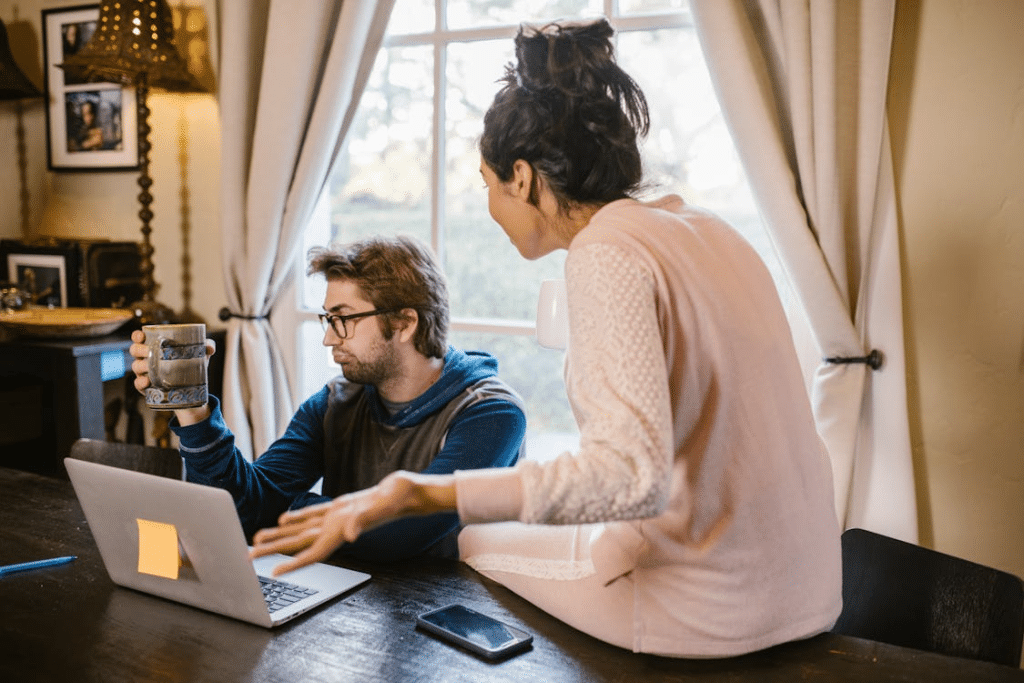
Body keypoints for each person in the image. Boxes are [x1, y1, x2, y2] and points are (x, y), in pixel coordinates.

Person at [250, 19, 842, 658]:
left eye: (487, 184)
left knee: (473, 538)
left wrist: (414, 490)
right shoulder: (707, 229)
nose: (489, 207)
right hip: (810, 591)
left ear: (524, 178)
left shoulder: (605, 252)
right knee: (515, 529)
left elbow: (626, 478)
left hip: (710, 611)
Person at [130, 235, 527, 561]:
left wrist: (282, 509)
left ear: (405, 323)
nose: (328, 337)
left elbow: (394, 542)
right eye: (327, 319)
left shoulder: (491, 415)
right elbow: (246, 509)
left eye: (343, 319)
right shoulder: (335, 402)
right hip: (346, 613)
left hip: (446, 630)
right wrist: (194, 413)